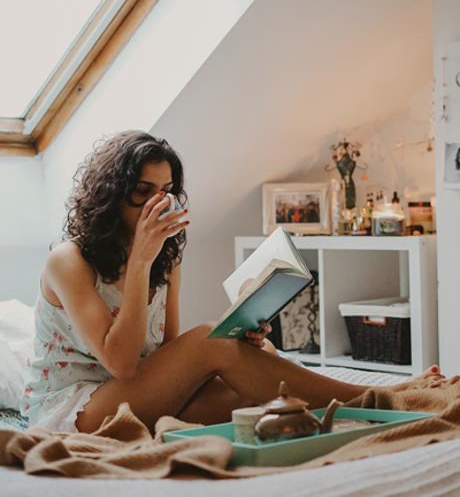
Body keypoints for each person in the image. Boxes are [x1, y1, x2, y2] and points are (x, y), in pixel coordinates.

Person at [20, 131, 443, 434]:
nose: (157, 202)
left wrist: (239, 338)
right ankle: (378, 398)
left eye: (166, 190)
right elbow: (122, 364)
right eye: (142, 190)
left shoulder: (166, 256)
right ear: (111, 194)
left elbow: (164, 357)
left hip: (134, 394)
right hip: (77, 408)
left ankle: (360, 405)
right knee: (211, 340)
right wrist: (140, 263)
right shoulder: (69, 261)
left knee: (253, 387)